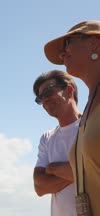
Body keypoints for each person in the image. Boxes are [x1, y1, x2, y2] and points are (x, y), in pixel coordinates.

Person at [44, 20, 100, 214]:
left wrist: (52, 169)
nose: (62, 53)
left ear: (94, 43)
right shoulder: (90, 107)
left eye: (68, 43)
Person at [32, 70, 81, 216]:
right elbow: (40, 187)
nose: (44, 100)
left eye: (48, 92)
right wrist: (78, 171)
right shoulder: (47, 138)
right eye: (40, 98)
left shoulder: (92, 128)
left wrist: (52, 168)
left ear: (69, 90)